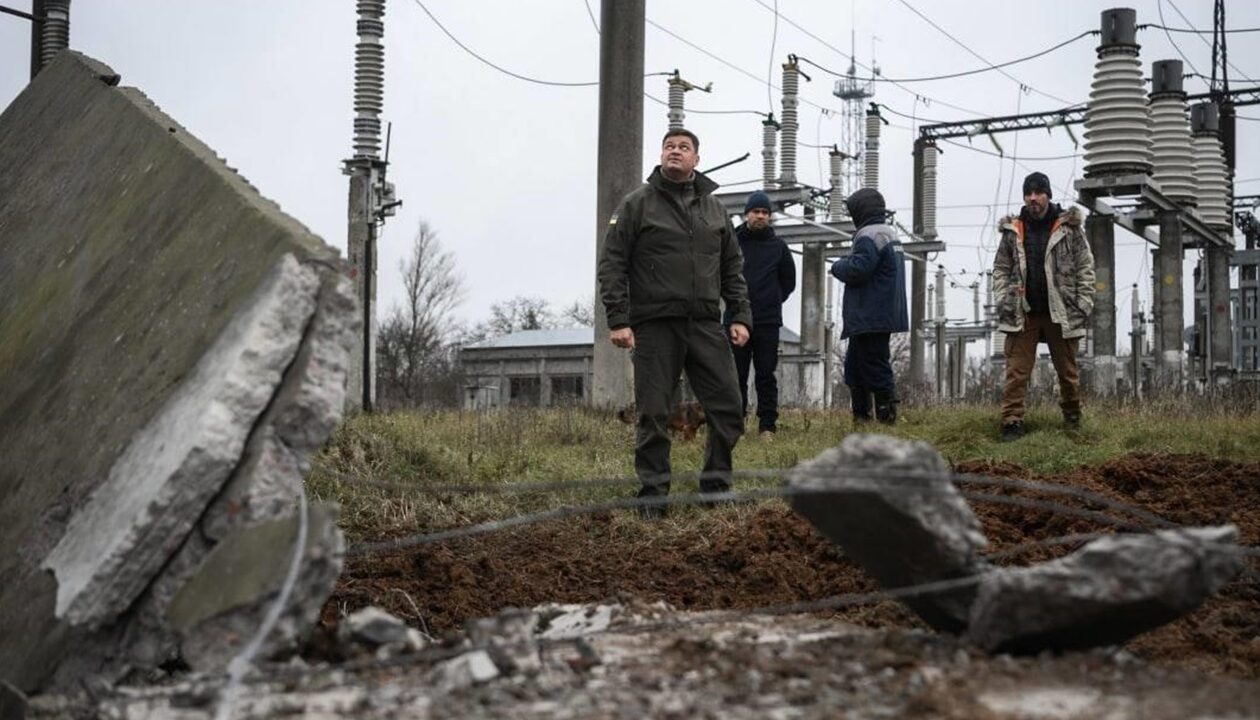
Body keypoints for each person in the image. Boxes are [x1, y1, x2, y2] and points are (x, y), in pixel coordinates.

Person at [597, 128, 752, 517]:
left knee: (729, 408)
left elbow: (732, 267)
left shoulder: (714, 209)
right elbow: (612, 263)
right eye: (669, 147)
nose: (675, 152)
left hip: (703, 324)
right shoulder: (637, 204)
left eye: (684, 148)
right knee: (653, 413)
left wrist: (740, 315)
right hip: (654, 325)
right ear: (661, 155)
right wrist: (618, 319)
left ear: (697, 160)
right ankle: (653, 496)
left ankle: (715, 488)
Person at [992, 171, 1096, 441]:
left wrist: (1083, 303)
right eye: (1028, 193)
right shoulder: (1013, 231)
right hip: (1023, 312)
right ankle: (1012, 422)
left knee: (1068, 372)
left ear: (1048, 195)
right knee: (1016, 371)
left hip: (1061, 312)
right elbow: (1001, 268)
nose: (1033, 198)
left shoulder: (1069, 229)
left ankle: (1072, 418)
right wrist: (1004, 296)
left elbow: (1086, 267)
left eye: (1038, 193)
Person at [830, 188, 908, 425]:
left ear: (859, 211)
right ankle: (862, 418)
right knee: (855, 367)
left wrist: (838, 266)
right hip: (880, 314)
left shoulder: (868, 235)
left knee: (874, 366)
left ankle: (885, 419)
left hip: (870, 315)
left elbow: (859, 268)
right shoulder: (888, 233)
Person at [727, 190, 796, 439]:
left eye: (765, 213)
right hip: (736, 318)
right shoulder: (732, 242)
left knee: (766, 374)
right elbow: (721, 276)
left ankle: (767, 426)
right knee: (737, 375)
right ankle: (737, 426)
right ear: (746, 214)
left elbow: (789, 282)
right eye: (756, 212)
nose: (760, 216)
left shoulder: (778, 247)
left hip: (767, 320)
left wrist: (772, 300)